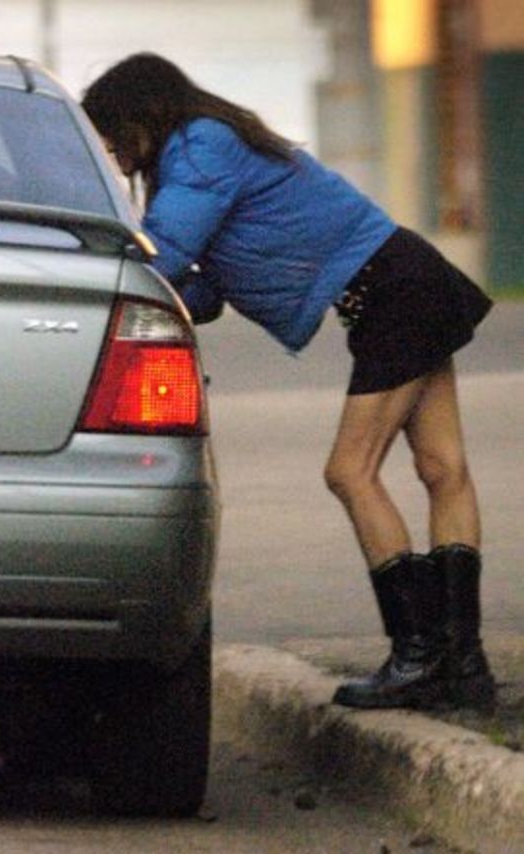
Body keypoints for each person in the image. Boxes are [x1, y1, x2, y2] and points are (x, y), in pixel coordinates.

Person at [82, 53, 495, 711]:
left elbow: (165, 250)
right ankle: (462, 667)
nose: (111, 152)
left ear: (141, 116)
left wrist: (94, 253)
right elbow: (206, 286)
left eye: (111, 136)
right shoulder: (202, 149)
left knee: (350, 472)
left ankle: (419, 656)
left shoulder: (199, 147)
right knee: (443, 470)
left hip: (394, 291)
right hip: (402, 282)